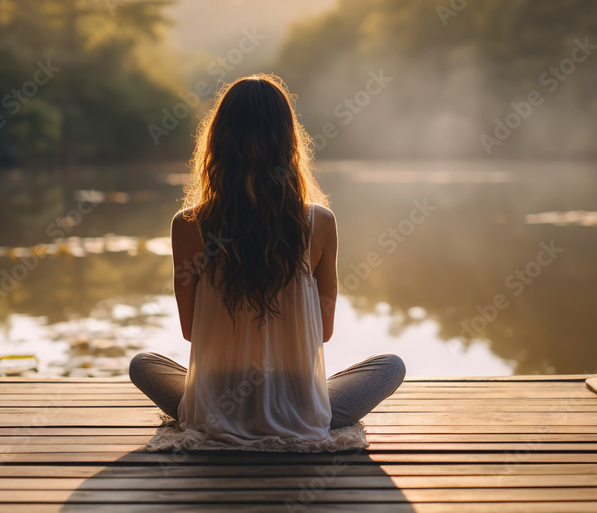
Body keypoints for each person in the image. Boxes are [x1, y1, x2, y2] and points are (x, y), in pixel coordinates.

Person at [130, 74, 405, 450]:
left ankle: (221, 411)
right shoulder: (318, 221)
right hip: (301, 412)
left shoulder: (188, 226)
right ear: (288, 143)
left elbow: (192, 331)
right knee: (391, 366)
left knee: (142, 363)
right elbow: (323, 332)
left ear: (217, 143)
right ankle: (296, 404)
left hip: (214, 408)